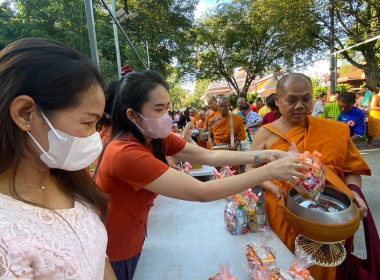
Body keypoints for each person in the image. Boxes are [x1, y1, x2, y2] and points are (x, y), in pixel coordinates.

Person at [95, 70, 309, 280]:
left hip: (135, 233)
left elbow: (209, 157)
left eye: (167, 108)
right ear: (132, 114)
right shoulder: (125, 153)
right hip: (116, 247)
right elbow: (202, 192)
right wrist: (268, 170)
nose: (167, 117)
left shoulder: (154, 137)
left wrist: (264, 154)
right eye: (159, 109)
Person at [0, 38, 116, 279]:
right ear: (25, 114)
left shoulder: (66, 178)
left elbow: (99, 259)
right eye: (87, 123)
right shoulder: (6, 233)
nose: (94, 136)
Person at [248, 73, 371, 280]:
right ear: (277, 101)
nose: (299, 106)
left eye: (306, 99)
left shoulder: (334, 131)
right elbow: (251, 170)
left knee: (325, 263)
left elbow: (351, 170)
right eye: (291, 100)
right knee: (288, 263)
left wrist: (354, 191)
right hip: (283, 208)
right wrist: (275, 188)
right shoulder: (266, 133)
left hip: (329, 210)